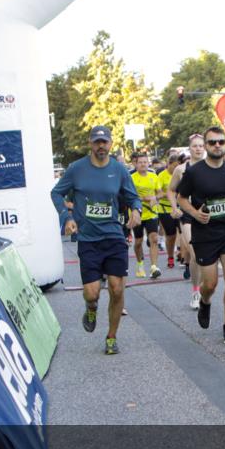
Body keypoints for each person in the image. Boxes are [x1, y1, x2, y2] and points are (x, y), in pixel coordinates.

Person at [51, 125, 140, 355]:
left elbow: (132, 195)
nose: (101, 146)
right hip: (89, 240)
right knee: (92, 293)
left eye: (105, 142)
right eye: (97, 142)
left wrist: (136, 210)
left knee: (117, 288)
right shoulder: (76, 169)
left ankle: (111, 337)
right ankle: (91, 308)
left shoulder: (119, 170)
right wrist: (66, 217)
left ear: (110, 144)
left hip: (113, 235)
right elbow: (56, 193)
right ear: (90, 143)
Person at [175, 127, 225, 344]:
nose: (217, 145)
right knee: (210, 284)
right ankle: (205, 302)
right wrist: (195, 213)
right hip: (205, 233)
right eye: (212, 142)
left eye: (220, 142)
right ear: (206, 146)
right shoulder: (195, 172)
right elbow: (181, 198)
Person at [168, 134, 207, 308]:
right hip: (188, 215)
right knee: (196, 252)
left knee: (204, 256)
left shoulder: (212, 167)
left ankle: (205, 288)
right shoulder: (181, 169)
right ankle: (196, 291)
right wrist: (174, 207)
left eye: (201, 146)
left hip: (206, 214)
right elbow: (171, 190)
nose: (198, 148)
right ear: (189, 149)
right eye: (195, 146)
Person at [130, 151, 163, 279]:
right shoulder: (131, 178)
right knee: (138, 242)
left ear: (148, 163)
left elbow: (160, 193)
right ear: (136, 164)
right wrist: (144, 199)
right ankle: (140, 264)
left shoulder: (153, 176)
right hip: (137, 213)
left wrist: (155, 197)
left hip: (151, 212)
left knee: (154, 238)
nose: (143, 164)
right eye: (140, 162)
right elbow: (129, 195)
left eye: (145, 162)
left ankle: (154, 267)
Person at [157, 153, 181, 267]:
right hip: (165, 209)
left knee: (184, 233)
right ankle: (170, 256)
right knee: (171, 236)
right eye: (174, 166)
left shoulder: (181, 173)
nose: (176, 168)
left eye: (178, 166)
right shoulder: (162, 176)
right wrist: (170, 194)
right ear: (169, 164)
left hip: (181, 208)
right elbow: (158, 193)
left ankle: (182, 254)